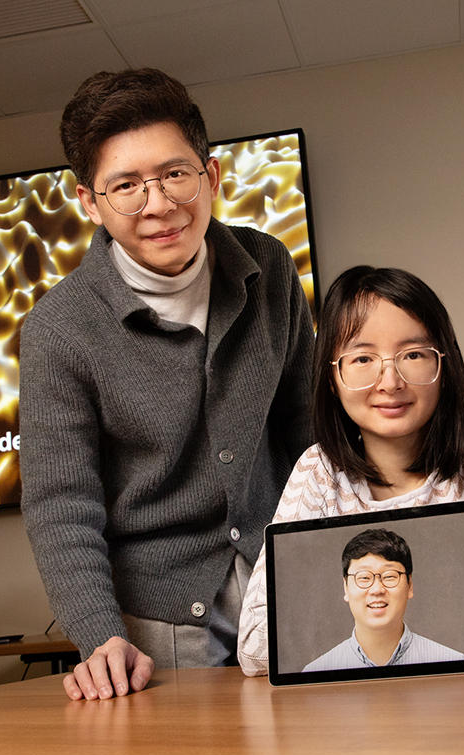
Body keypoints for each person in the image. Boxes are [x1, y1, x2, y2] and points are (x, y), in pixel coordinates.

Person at [18, 68, 314, 700]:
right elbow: (61, 504)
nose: (158, 205)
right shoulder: (58, 328)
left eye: (174, 174)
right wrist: (98, 635)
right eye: (125, 186)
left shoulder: (269, 268)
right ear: (89, 203)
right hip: (159, 622)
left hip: (288, 586)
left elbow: (309, 436)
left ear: (209, 177)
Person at [238, 266, 464, 676]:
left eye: (412, 354)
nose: (390, 381)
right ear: (332, 377)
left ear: (443, 364)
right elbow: (255, 649)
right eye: (362, 358)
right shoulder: (318, 469)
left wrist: (330, 628)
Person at [303, 528, 464, 671]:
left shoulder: (454, 664)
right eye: (364, 577)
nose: (377, 590)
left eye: (389, 576)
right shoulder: (315, 673)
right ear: (346, 587)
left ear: (410, 585)